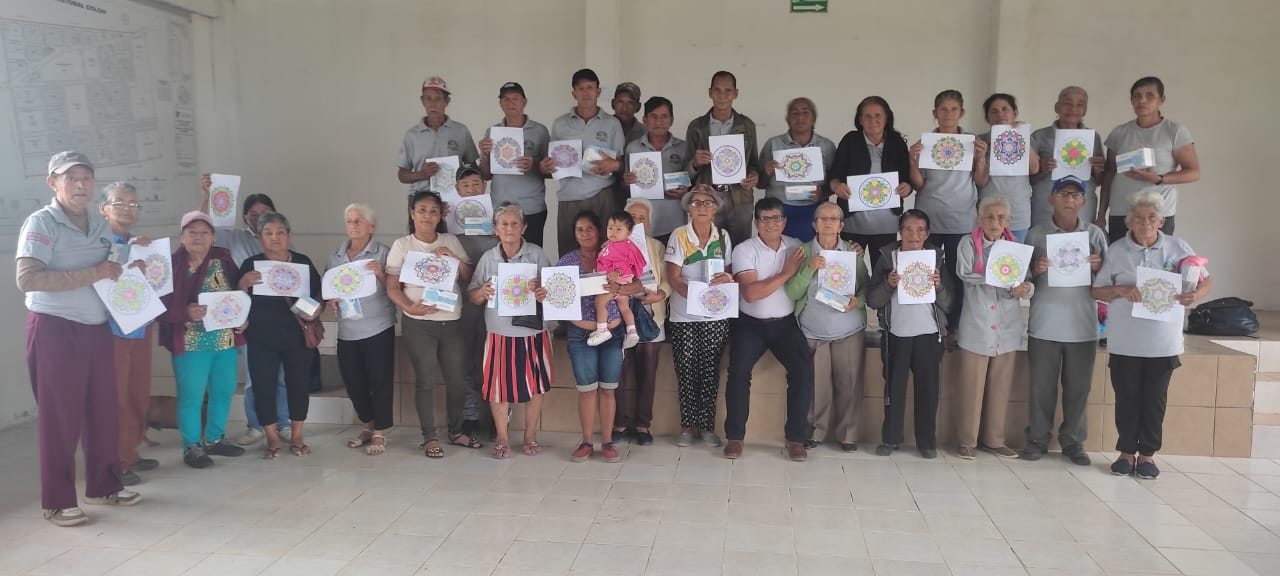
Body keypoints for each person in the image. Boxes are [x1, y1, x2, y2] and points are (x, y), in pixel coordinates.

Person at [18, 151, 141, 526]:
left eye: (86, 178)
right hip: (55, 328)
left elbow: (111, 264)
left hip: (96, 327)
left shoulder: (99, 223)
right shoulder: (42, 222)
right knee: (60, 418)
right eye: (71, 178)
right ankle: (57, 501)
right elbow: (28, 278)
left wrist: (134, 262)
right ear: (53, 182)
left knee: (103, 410)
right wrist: (93, 273)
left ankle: (104, 486)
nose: (80, 185)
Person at [1093, 191, 1211, 479]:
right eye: (1139, 218)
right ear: (1129, 222)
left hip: (1163, 342)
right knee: (1126, 398)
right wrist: (1120, 290)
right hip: (1126, 341)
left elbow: (1206, 280)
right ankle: (1125, 453)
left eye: (1152, 217)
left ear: (1161, 221)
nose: (1145, 223)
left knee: (1155, 400)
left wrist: (1195, 295)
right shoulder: (1117, 250)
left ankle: (1147, 455)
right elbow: (1097, 291)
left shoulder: (1178, 247)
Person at [386, 190, 479, 457]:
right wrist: (408, 307)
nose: (427, 216)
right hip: (418, 324)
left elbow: (469, 276)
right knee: (425, 380)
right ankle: (429, 437)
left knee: (457, 380)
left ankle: (456, 431)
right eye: (422, 210)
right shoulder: (402, 245)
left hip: (451, 322)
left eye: (433, 211)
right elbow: (392, 287)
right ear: (412, 214)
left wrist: (453, 258)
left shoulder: (450, 240)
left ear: (440, 216)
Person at [199, 175, 292, 445]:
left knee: (281, 375)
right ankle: (256, 425)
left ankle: (284, 422)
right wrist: (207, 196)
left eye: (265, 213)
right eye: (254, 215)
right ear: (244, 218)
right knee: (254, 376)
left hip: (279, 319)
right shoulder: (232, 237)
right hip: (246, 318)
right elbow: (202, 226)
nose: (260, 218)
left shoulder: (283, 241)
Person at [1023, 177, 1108, 464]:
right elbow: (1020, 277)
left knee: (1078, 390)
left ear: (1083, 201)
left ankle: (1073, 442)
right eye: (1062, 193)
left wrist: (1099, 267)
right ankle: (1037, 439)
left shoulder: (1094, 234)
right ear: (1051, 199)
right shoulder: (1036, 234)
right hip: (1044, 323)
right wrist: (1035, 269)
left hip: (1082, 325)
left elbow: (1109, 280)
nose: (1069, 199)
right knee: (1040, 389)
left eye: (1075, 194)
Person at [723, 197, 813, 461]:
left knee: (803, 371)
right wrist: (786, 272)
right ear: (756, 222)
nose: (770, 224)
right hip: (750, 324)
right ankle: (735, 438)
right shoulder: (744, 249)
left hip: (785, 324)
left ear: (784, 221)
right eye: (764, 219)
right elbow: (751, 294)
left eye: (776, 218)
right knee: (738, 373)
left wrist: (852, 249)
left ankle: (796, 439)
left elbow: (824, 253)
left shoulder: (797, 246)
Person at [159, 211, 247, 468]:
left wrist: (242, 318)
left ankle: (215, 438)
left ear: (213, 237)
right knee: (191, 396)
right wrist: (184, 312)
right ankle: (192, 446)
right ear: (182, 236)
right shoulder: (171, 265)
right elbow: (158, 305)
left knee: (223, 391)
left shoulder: (222, 259)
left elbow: (236, 294)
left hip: (223, 341)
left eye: (204, 232)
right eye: (192, 232)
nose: (198, 237)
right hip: (191, 343)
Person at [467, 203, 553, 459]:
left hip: (532, 333)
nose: (509, 228)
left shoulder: (536, 254)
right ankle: (502, 438)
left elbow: (553, 292)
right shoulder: (488, 258)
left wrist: (543, 291)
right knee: (497, 388)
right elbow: (472, 295)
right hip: (499, 333)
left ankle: (530, 435)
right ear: (495, 229)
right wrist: (482, 292)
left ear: (524, 227)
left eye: (515, 223)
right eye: (503, 224)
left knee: (536, 386)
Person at [866, 209, 953, 459]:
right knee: (893, 390)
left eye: (920, 230)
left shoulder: (936, 259)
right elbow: (873, 299)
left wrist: (938, 287)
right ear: (900, 232)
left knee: (928, 390)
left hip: (929, 333)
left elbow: (949, 303)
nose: (914, 235)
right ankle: (890, 439)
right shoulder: (887, 257)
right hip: (896, 334)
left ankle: (926, 442)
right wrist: (888, 284)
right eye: (908, 229)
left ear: (928, 233)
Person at [237, 213, 323, 459]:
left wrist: (313, 311)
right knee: (262, 387)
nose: (274, 238)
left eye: (280, 233)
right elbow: (235, 301)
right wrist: (243, 284)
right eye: (268, 233)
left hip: (297, 337)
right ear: (259, 237)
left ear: (289, 236)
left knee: (298, 385)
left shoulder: (303, 262)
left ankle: (297, 435)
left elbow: (319, 296)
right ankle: (272, 437)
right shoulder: (251, 265)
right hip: (260, 338)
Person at [784, 202, 869, 452]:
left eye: (834, 218)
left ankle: (848, 435)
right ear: (814, 225)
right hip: (813, 330)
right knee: (815, 386)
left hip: (848, 329)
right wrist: (809, 269)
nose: (828, 222)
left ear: (841, 225)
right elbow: (792, 292)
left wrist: (858, 301)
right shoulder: (802, 252)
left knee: (849, 384)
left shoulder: (853, 252)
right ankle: (815, 432)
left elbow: (866, 286)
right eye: (822, 218)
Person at [954, 197, 1033, 460]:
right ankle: (967, 440)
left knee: (1000, 387)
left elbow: (1028, 283)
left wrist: (1025, 288)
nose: (995, 222)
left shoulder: (1017, 249)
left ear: (1008, 221)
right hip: (977, 325)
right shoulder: (968, 243)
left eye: (1001, 217)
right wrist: (1001, 278)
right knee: (972, 387)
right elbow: (965, 273)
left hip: (1007, 328)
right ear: (980, 220)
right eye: (989, 216)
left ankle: (994, 440)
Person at [909, 90, 988, 334]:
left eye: (954, 109)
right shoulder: (925, 144)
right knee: (926, 274)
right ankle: (930, 324)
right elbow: (919, 184)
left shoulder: (972, 143)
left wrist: (981, 159)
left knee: (957, 275)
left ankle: (955, 327)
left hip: (961, 220)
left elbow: (981, 181)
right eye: (943, 109)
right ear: (935, 113)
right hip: (929, 219)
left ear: (961, 112)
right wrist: (912, 160)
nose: (948, 114)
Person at [665, 185, 733, 448]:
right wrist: (697, 300)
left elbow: (728, 272)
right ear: (689, 209)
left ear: (715, 209)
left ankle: (707, 427)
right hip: (684, 315)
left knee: (710, 371)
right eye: (696, 203)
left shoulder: (723, 237)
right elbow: (673, 277)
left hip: (715, 316)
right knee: (686, 370)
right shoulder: (679, 235)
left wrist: (727, 279)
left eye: (707, 203)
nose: (702, 207)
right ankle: (686, 426)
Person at [99, 182, 158, 485]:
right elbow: (101, 275)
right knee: (115, 396)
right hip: (111, 328)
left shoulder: (136, 243)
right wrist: (127, 256)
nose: (127, 209)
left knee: (137, 392)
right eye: (119, 202)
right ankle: (114, 461)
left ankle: (129, 451)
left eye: (133, 204)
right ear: (103, 209)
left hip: (138, 325)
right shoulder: (96, 241)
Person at [328, 204, 396, 456]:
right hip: (347, 329)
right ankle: (368, 425)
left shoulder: (383, 253)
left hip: (378, 326)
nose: (353, 225)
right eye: (349, 221)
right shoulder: (336, 256)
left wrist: (381, 275)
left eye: (358, 220)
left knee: (380, 381)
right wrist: (331, 299)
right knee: (354, 382)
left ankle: (380, 431)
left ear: (372, 226)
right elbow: (329, 289)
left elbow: (397, 289)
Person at [1099, 76, 1200, 243]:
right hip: (1121, 212)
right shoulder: (1119, 132)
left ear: (1162, 99)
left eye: (1150, 95)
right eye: (1137, 96)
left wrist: (1159, 179)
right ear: (1131, 100)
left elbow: (1193, 172)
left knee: (1156, 259)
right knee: (1121, 257)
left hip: (1157, 215)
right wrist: (1101, 214)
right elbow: (1109, 174)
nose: (1142, 100)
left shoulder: (1174, 131)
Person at [560, 212, 626, 462]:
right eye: (580, 229)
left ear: (599, 231)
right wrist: (546, 294)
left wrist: (619, 286)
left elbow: (636, 284)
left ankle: (607, 442)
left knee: (608, 389)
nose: (585, 233)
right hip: (580, 335)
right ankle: (587, 441)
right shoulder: (566, 262)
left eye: (590, 228)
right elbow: (556, 296)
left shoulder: (614, 255)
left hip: (612, 333)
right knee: (587, 390)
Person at [541, 68, 624, 256]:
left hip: (602, 195)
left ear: (598, 91)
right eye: (581, 88)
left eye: (590, 87)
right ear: (574, 93)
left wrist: (615, 165)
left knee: (606, 252)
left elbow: (620, 161)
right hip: (570, 197)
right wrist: (547, 166)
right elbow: (552, 162)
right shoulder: (560, 124)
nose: (586, 93)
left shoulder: (611, 123)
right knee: (570, 253)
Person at [829, 96, 913, 269]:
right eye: (867, 116)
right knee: (848, 272)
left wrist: (908, 187)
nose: (872, 120)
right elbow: (834, 175)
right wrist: (836, 186)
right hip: (852, 223)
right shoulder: (850, 141)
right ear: (860, 120)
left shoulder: (897, 143)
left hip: (886, 225)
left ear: (886, 118)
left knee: (883, 275)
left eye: (877, 115)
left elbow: (907, 178)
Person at [614, 198, 671, 446]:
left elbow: (668, 279)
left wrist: (660, 294)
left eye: (642, 219)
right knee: (618, 370)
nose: (637, 223)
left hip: (651, 315)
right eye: (632, 218)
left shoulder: (657, 247)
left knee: (647, 372)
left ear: (649, 223)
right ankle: (619, 422)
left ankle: (643, 424)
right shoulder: (610, 245)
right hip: (619, 315)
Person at [685, 71, 761, 245]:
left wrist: (754, 176)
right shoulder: (697, 127)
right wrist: (695, 163)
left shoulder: (746, 125)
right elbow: (685, 172)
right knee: (708, 246)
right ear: (710, 92)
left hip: (740, 199)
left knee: (740, 248)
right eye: (717, 90)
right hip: (708, 197)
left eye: (728, 91)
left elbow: (753, 163)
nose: (722, 95)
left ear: (736, 93)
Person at [478, 81, 551, 246]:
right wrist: (485, 155)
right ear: (500, 103)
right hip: (500, 209)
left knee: (531, 255)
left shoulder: (540, 131)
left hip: (531, 208)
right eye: (506, 99)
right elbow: (485, 175)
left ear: (524, 101)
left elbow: (550, 171)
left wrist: (534, 165)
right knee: (501, 256)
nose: (511, 103)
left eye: (515, 98)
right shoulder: (492, 132)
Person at [759, 97, 837, 242]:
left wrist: (823, 192)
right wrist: (766, 172)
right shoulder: (773, 143)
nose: (800, 117)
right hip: (779, 210)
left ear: (814, 119)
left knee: (811, 253)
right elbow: (760, 183)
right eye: (794, 113)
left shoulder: (826, 146)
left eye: (805, 113)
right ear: (787, 119)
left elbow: (835, 181)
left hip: (814, 210)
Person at [1028, 86, 1106, 229]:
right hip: (1045, 208)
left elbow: (1100, 180)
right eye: (1067, 103)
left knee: (1080, 242)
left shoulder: (1093, 138)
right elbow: (1028, 179)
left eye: (1080, 105)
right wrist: (1042, 169)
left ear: (1085, 110)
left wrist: (1098, 170)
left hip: (1082, 209)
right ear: (1057, 107)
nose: (1073, 109)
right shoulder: (1039, 136)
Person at [395, 75, 479, 196]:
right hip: (421, 198)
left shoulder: (461, 131)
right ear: (422, 101)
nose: (433, 104)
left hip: (454, 197)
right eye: (428, 98)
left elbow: (473, 167)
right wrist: (421, 174)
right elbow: (402, 175)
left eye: (438, 99)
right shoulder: (412, 135)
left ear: (447, 101)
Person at [622, 96, 688, 244]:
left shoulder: (683, 148)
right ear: (645, 120)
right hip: (642, 226)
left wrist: (686, 192)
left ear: (671, 120)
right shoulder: (633, 148)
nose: (659, 122)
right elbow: (625, 187)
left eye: (664, 116)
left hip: (674, 224)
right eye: (653, 116)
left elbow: (693, 185)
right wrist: (627, 182)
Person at [977, 93, 1040, 242]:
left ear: (1015, 112)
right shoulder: (981, 141)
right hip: (989, 213)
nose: (1000, 115)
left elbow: (1034, 169)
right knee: (987, 254)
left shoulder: (1025, 137)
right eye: (994, 111)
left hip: (1018, 211)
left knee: (1016, 254)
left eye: (1005, 109)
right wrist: (983, 155)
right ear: (987, 118)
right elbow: (980, 181)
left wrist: (1021, 136)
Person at [587, 211, 646, 348]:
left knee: (600, 302)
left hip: (617, 280)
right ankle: (632, 331)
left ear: (629, 231)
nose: (613, 232)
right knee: (624, 307)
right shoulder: (615, 244)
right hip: (623, 281)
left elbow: (624, 264)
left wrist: (617, 272)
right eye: (610, 228)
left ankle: (602, 330)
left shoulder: (622, 246)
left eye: (619, 229)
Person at [613, 82, 647, 146]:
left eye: (630, 103)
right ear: (613, 103)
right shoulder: (602, 127)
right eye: (620, 102)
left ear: (638, 107)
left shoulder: (645, 134)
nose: (625, 108)